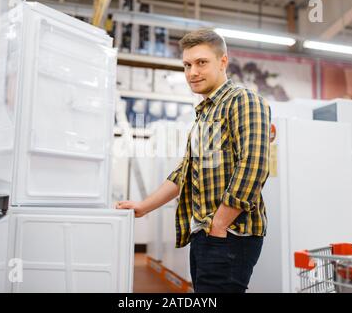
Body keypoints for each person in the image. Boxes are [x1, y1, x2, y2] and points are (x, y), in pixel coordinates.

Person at [116, 28, 271, 293]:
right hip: (205, 233)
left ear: (223, 62)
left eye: (201, 63)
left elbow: (253, 165)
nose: (192, 72)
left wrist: (219, 224)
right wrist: (144, 206)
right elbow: (184, 173)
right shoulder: (205, 113)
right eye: (187, 65)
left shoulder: (243, 101)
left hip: (231, 234)